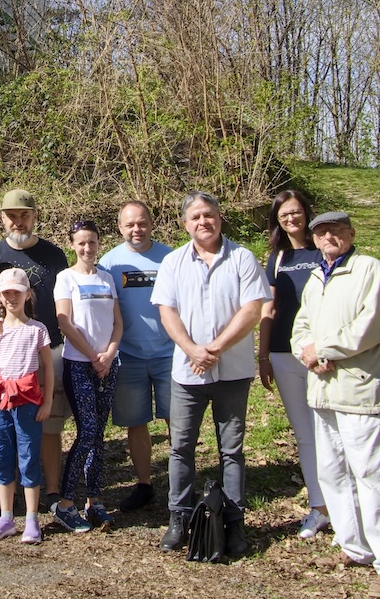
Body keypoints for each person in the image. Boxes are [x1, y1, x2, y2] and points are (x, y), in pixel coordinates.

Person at [291, 211, 380, 598]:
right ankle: (353, 547)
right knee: (333, 473)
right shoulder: (316, 277)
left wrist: (323, 349)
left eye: (335, 231)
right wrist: (306, 353)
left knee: (373, 476)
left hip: (360, 389)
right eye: (321, 233)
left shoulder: (368, 270)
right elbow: (301, 326)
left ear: (350, 234)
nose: (328, 238)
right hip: (323, 389)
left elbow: (371, 326)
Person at [151, 191, 270, 557]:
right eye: (196, 217)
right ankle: (179, 518)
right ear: (185, 224)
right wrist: (192, 350)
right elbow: (167, 311)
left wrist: (213, 349)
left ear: (220, 217)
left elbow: (252, 310)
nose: (204, 221)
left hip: (232, 371)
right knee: (180, 448)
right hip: (187, 374)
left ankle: (234, 523)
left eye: (209, 214)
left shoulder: (243, 259)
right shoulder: (173, 262)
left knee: (231, 450)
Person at [259, 189, 329, 539]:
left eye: (297, 212)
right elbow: (269, 309)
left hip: (323, 355)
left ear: (306, 214)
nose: (291, 219)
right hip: (284, 355)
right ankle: (319, 508)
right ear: (278, 219)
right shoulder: (276, 258)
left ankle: (344, 502)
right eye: (284, 214)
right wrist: (263, 355)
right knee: (305, 434)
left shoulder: (325, 250)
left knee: (331, 431)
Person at [0, 189, 68, 510]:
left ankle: (50, 491)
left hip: (50, 350)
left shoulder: (55, 256)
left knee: (48, 424)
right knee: (8, 428)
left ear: (35, 216)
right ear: (2, 218)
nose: (18, 221)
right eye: (12, 215)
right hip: (7, 356)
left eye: (24, 214)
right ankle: (10, 499)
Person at [99, 201, 172, 512]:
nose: (136, 229)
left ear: (151, 223)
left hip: (170, 354)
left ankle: (182, 483)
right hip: (128, 356)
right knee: (136, 422)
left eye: (141, 223)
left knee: (178, 422)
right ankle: (144, 484)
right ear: (120, 227)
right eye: (129, 225)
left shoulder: (170, 258)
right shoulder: (110, 263)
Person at [53, 218, 123, 533]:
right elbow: (64, 322)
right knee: (87, 431)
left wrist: (108, 354)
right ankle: (65, 504)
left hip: (109, 365)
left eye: (92, 242)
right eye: (81, 242)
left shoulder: (107, 278)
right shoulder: (65, 278)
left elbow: (117, 322)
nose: (87, 248)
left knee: (99, 436)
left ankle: (94, 501)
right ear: (72, 245)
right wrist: (93, 356)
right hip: (79, 364)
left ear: (98, 244)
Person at [0, 267, 54, 544]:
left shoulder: (37, 330)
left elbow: (47, 367)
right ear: (0, 296)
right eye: (7, 293)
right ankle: (6, 517)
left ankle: (32, 518)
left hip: (27, 403)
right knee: (1, 456)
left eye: (17, 292)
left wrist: (47, 401)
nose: (12, 297)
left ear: (26, 295)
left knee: (28, 455)